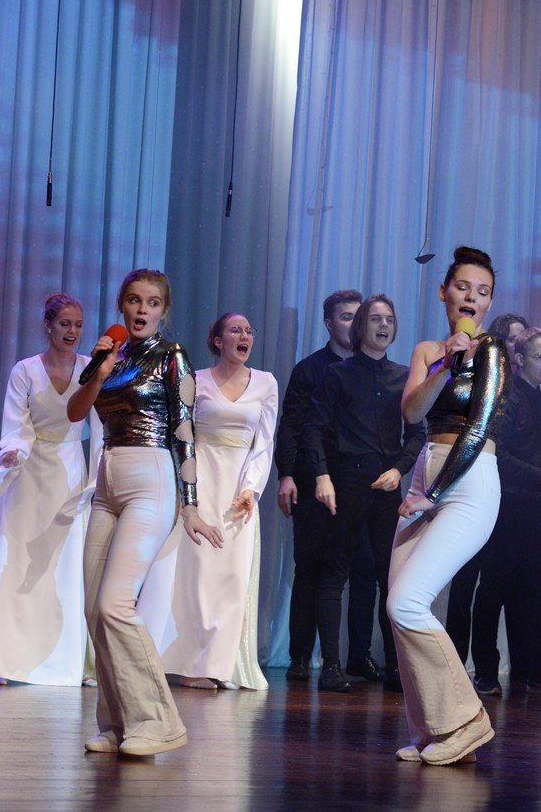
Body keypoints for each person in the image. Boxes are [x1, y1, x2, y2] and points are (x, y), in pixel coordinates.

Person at [67, 269, 222, 757]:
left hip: (151, 478)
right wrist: (100, 370)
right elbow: (75, 412)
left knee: (116, 605)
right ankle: (117, 723)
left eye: (152, 303)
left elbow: (185, 429)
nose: (141, 310)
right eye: (134, 301)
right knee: (95, 610)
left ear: (163, 311)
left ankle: (157, 723)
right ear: (122, 305)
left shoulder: (171, 355)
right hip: (107, 478)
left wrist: (190, 505)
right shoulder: (111, 356)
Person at [390, 246, 508, 766]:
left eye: (483, 292)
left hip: (469, 479)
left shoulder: (494, 351)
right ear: (444, 292)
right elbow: (413, 411)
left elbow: (478, 428)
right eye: (463, 287)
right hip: (427, 468)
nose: (472, 298)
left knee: (407, 602)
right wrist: (444, 363)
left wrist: (433, 495)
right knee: (398, 607)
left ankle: (467, 719)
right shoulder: (428, 350)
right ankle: (434, 730)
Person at [0, 293, 103, 687]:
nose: (72, 331)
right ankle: (8, 660)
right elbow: (16, 424)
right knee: (19, 563)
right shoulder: (26, 370)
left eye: (78, 325)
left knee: (62, 564)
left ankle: (69, 661)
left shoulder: (91, 368)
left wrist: (99, 475)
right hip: (28, 473)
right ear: (48, 325)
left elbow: (101, 428)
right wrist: (14, 451)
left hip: (69, 471)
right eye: (64, 324)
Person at [143, 311, 278, 690]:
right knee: (192, 573)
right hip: (200, 481)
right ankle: (182, 661)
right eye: (235, 330)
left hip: (238, 490)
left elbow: (265, 442)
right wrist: (185, 491)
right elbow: (180, 436)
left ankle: (216, 663)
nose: (244, 335)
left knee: (230, 576)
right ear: (218, 340)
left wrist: (251, 488)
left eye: (249, 330)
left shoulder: (266, 383)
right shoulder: (196, 380)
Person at [300, 294, 423, 694]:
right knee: (335, 572)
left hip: (387, 486)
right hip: (346, 482)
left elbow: (417, 434)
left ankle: (395, 667)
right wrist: (321, 476)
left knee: (390, 577)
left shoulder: (404, 377)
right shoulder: (337, 374)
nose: (383, 325)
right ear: (360, 327)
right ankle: (331, 666)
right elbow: (313, 428)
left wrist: (399, 469)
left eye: (389, 319)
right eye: (375, 319)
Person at [274, 289, 379, 682]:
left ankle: (359, 656)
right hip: (313, 479)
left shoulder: (370, 369)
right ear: (329, 323)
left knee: (364, 569)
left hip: (359, 484)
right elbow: (292, 426)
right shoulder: (310, 369)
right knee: (311, 567)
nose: (354, 324)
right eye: (346, 316)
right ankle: (301, 655)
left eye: (358, 316)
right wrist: (286, 473)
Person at [464, 328, 541, 696]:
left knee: (535, 592)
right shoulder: (503, 400)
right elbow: (495, 454)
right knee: (493, 590)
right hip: (503, 506)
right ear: (519, 359)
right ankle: (485, 670)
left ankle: (535, 668)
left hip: (534, 509)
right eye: (540, 357)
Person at [443, 310, 530, 672]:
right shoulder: (480, 375)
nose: (516, 347)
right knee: (464, 582)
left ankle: (486, 668)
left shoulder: (520, 391)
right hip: (475, 486)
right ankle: (453, 663)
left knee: (493, 588)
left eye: (521, 340)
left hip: (508, 503)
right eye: (512, 339)